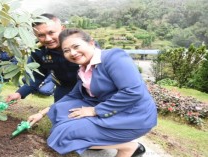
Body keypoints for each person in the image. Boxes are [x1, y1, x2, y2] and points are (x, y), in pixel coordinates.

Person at [27, 28, 157, 156]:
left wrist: (94, 111)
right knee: (59, 110)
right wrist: (41, 113)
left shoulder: (113, 57)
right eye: (66, 51)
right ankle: (93, 137)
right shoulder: (83, 69)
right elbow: (73, 95)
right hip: (112, 109)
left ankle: (129, 147)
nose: (72, 53)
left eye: (76, 46)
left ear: (91, 43)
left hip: (133, 115)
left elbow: (133, 91)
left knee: (63, 133)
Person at [6, 13, 79, 103]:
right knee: (59, 114)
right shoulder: (38, 51)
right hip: (63, 87)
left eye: (51, 32)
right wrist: (20, 93)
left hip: (89, 86)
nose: (47, 39)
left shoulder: (81, 44)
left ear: (62, 29)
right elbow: (38, 76)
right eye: (41, 35)